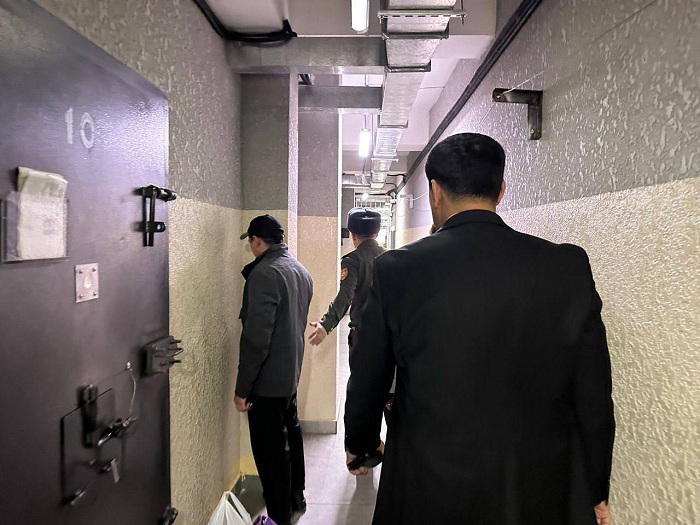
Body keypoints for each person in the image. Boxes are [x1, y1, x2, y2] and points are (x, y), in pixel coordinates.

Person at [344, 133, 615, 525]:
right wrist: (595, 488)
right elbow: (593, 392)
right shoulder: (566, 266)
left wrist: (362, 444)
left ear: (435, 191)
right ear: (501, 190)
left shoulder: (399, 269)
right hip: (534, 484)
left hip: (427, 481)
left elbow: (369, 374)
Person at [234, 214, 313, 525]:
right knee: (292, 435)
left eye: (250, 242)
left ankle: (279, 516)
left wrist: (242, 389)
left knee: (271, 453)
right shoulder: (299, 271)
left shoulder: (264, 274)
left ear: (256, 240)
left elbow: (256, 340)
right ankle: (296, 498)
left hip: (266, 383)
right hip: (289, 375)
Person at [307, 207, 386, 357]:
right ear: (376, 234)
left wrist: (326, 324)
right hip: (388, 336)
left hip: (363, 336)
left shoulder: (352, 260)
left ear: (353, 235)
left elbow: (345, 296)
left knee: (361, 372)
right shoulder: (390, 256)